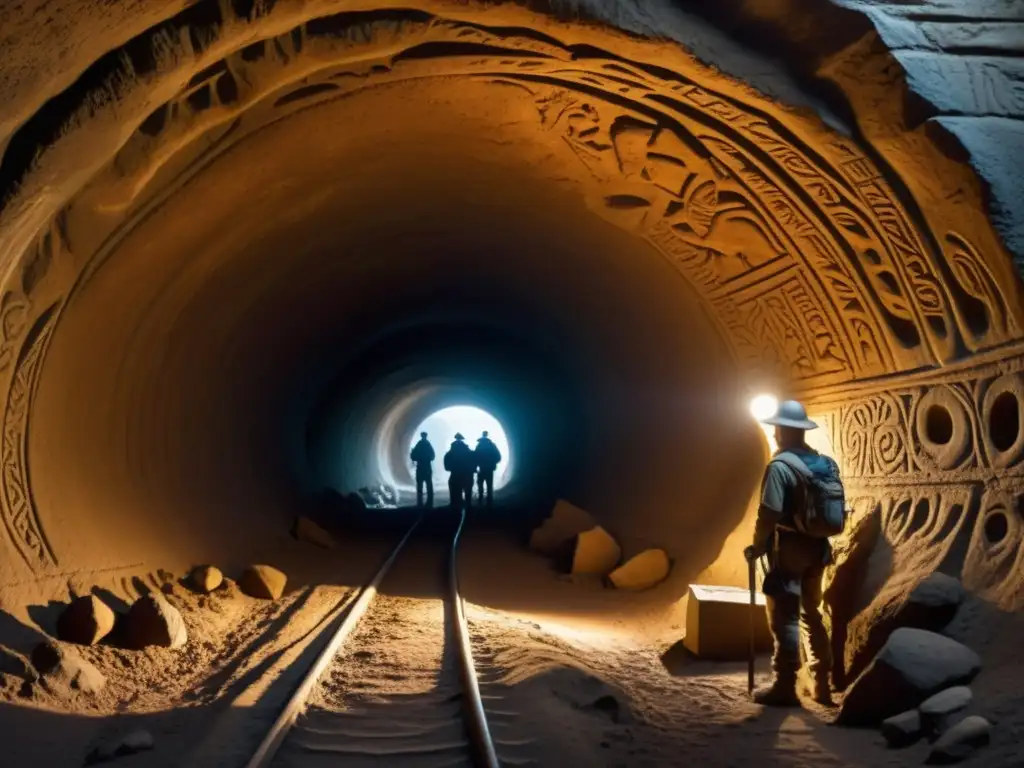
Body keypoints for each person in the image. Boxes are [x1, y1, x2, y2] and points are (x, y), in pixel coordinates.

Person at [744, 399, 840, 708]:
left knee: (785, 615)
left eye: (776, 428)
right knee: (812, 613)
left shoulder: (780, 466)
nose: (773, 433)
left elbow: (769, 512)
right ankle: (822, 684)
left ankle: (786, 684)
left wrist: (757, 546)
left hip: (789, 550)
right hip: (819, 549)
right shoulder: (826, 463)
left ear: (785, 431)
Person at [443, 432, 475, 512]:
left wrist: (449, 468)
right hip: (467, 473)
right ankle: (468, 503)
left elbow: (447, 460)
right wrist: (473, 469)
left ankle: (454, 503)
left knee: (454, 488)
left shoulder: (452, 450)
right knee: (468, 488)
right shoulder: (468, 450)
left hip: (455, 473)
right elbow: (474, 459)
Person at [474, 431, 502, 508]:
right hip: (489, 469)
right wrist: (493, 463)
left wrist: (475, 467)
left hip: (482, 468)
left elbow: (475, 457)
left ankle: (480, 499)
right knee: (489, 485)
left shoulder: (479, 446)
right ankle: (489, 501)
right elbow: (498, 457)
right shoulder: (492, 446)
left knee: (480, 484)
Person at [410, 431, 435, 508]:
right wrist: (427, 459)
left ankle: (420, 503)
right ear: (426, 436)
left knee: (420, 486)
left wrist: (418, 458)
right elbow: (433, 456)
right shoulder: (428, 445)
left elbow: (413, 456)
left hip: (420, 467)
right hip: (427, 467)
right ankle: (430, 502)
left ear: (421, 436)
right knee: (429, 485)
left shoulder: (419, 445)